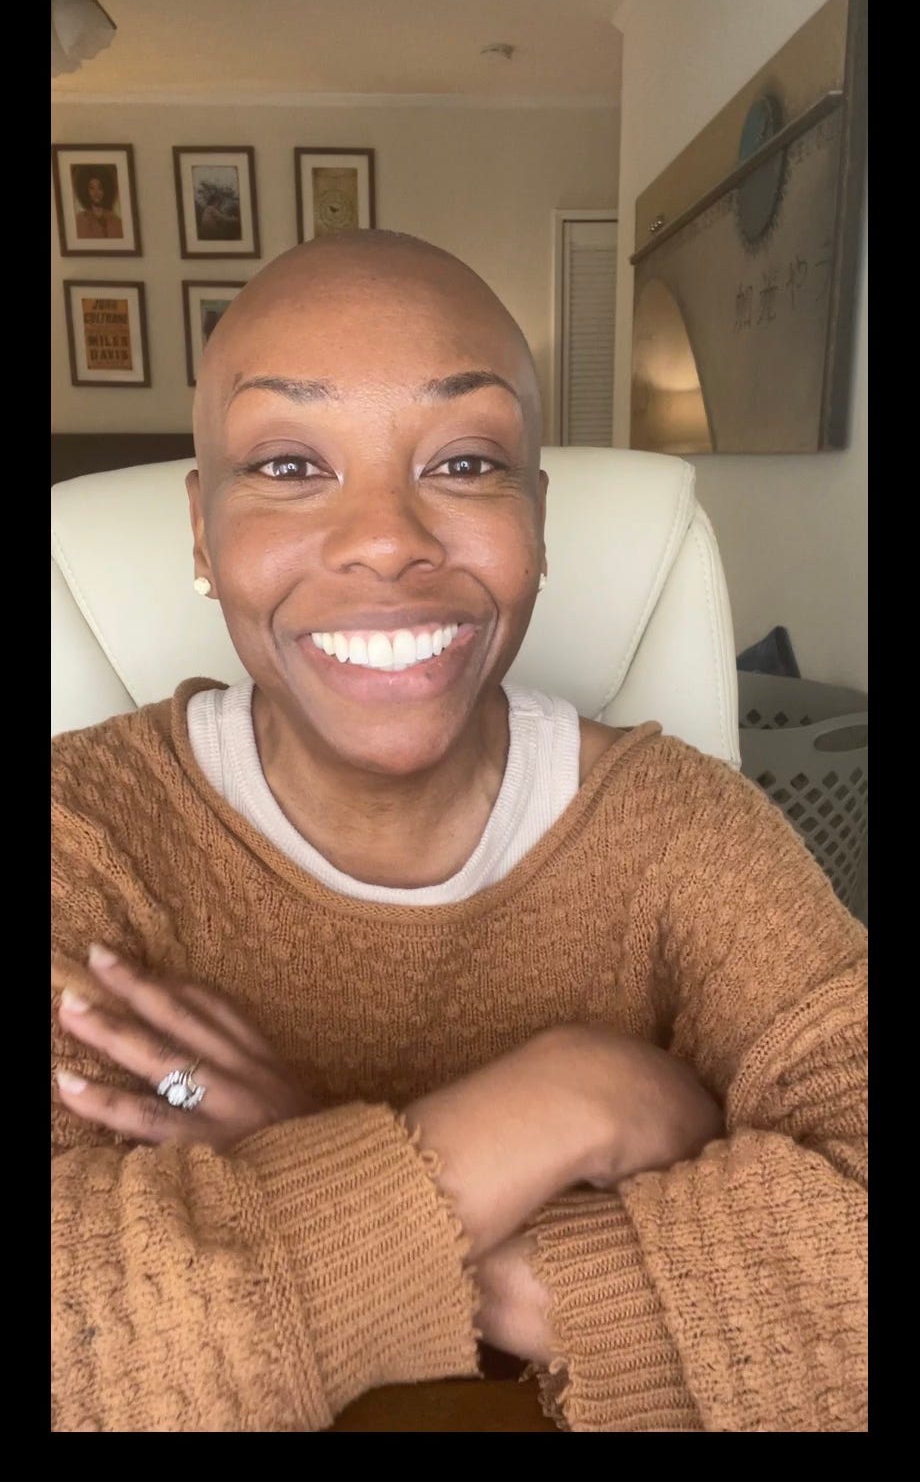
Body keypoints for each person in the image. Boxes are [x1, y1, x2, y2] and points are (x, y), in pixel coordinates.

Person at [51, 231, 867, 1434]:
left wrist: (293, 1162)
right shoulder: (80, 835)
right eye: (288, 463)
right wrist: (574, 1097)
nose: (386, 538)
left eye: (467, 461)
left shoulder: (685, 833)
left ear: (535, 517)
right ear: (201, 533)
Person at [73, 164, 124, 240]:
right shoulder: (80, 220)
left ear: (106, 189)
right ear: (86, 191)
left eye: (100, 187)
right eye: (92, 188)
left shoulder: (116, 221)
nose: (96, 193)